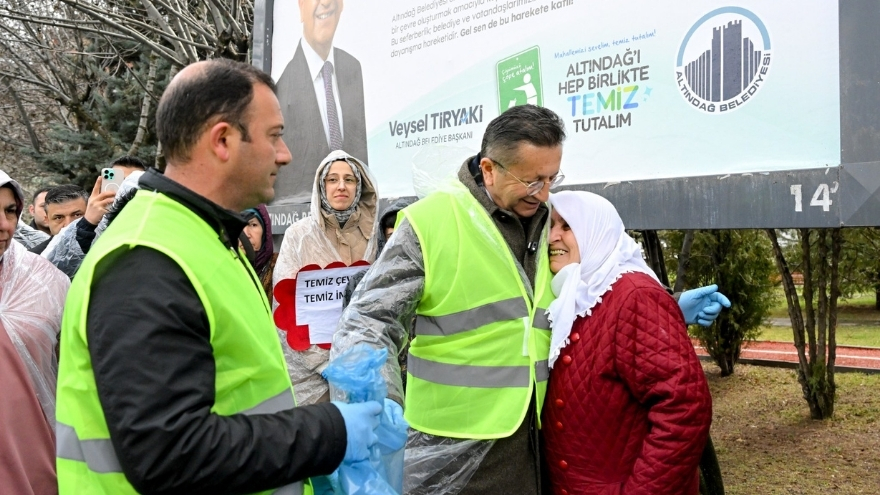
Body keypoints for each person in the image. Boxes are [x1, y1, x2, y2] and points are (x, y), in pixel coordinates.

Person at [332, 104, 728, 494]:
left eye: (552, 177)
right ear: (489, 169)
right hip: (451, 444)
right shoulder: (429, 223)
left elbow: (591, 283)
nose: (545, 192)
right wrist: (374, 400)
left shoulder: (550, 219)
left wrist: (667, 305)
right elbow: (368, 321)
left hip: (537, 441)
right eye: (532, 180)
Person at [55, 58, 382, 494]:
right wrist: (330, 431)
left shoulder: (205, 236)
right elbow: (169, 453)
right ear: (223, 140)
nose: (285, 154)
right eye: (274, 136)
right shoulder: (146, 259)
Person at [542, 191, 712, 494]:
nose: (552, 237)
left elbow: (685, 407)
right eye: (551, 225)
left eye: (567, 226)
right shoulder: (577, 293)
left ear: (596, 231)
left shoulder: (635, 296)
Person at [274, 149, 378, 406]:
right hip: (311, 375)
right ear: (321, 186)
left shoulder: (373, 236)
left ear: (359, 186)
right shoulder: (299, 236)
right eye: (332, 179)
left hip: (366, 366)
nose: (341, 186)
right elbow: (286, 309)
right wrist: (324, 365)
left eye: (349, 179)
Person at [0, 170, 71, 495]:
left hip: (38, 457)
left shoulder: (44, 280)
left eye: (10, 211)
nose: (4, 224)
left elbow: (70, 369)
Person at [274, 0, 368, 204]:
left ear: (341, 6)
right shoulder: (281, 88)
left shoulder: (353, 68)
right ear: (301, 7)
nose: (325, 2)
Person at [241, 204, 276, 298]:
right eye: (239, 225)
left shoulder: (279, 268)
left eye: (253, 225)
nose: (246, 234)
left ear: (265, 231)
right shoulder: (223, 268)